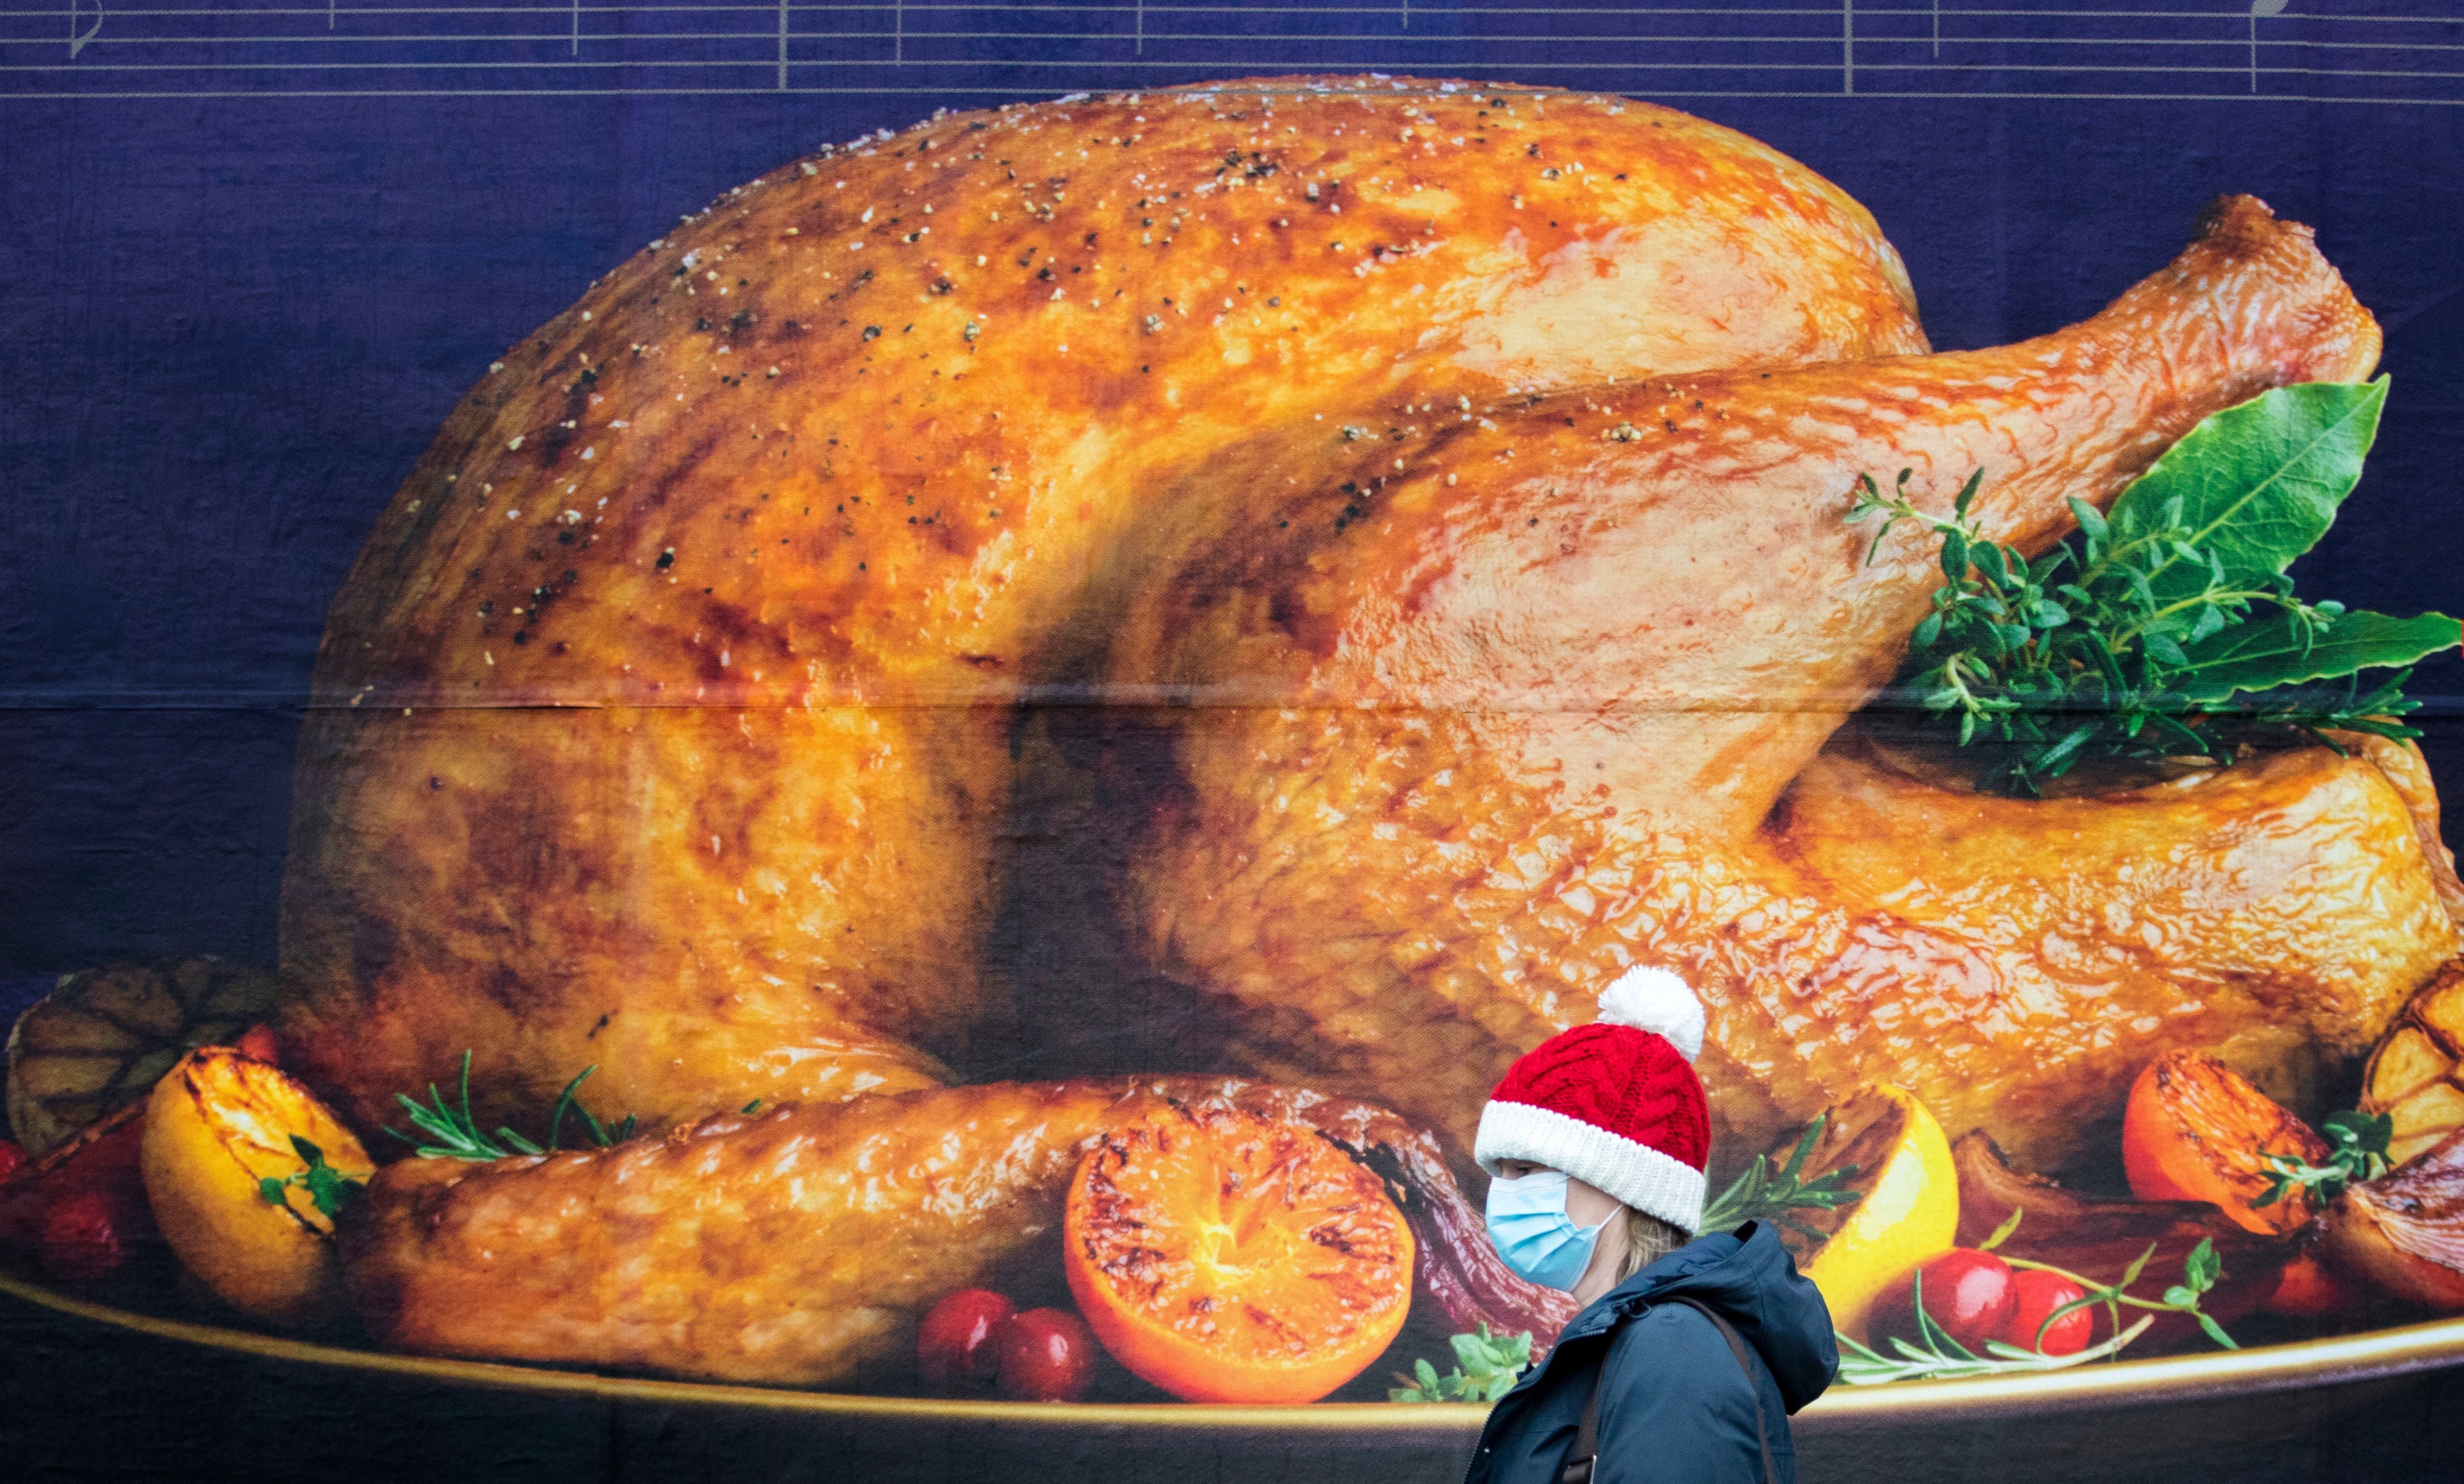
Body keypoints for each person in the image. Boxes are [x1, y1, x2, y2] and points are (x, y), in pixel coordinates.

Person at [1463, 967, 1837, 1484]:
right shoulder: (1629, 1342)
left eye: (1525, 1171)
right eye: (1498, 1171)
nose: (1502, 1194)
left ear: (1623, 1184)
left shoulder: (1672, 1353)